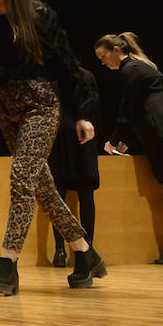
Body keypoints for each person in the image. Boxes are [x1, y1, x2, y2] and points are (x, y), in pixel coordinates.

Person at [0, 0, 104, 294]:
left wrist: (82, 114)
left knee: (21, 179)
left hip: (41, 103)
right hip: (8, 108)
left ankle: (8, 262)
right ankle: (83, 251)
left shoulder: (39, 16)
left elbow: (66, 65)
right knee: (42, 186)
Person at [95, 32, 163, 264]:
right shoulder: (139, 68)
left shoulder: (131, 70)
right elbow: (141, 108)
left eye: (103, 55)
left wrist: (114, 139)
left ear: (116, 50)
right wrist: (127, 139)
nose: (102, 62)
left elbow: (128, 109)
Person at [47, 65, 101, 267]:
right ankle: (89, 248)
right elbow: (95, 107)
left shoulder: (51, 81)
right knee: (86, 196)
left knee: (57, 198)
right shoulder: (86, 75)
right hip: (83, 139)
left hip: (59, 141)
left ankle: (59, 250)